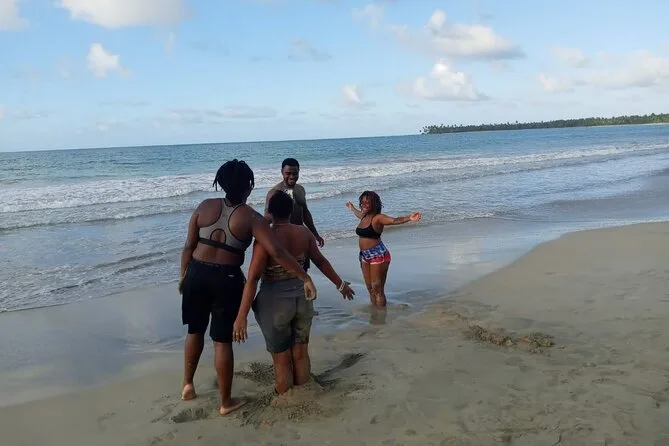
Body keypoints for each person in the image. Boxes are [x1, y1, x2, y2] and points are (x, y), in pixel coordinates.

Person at [179, 159, 318, 416]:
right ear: (249, 186)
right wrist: (304, 277)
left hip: (196, 273)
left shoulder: (204, 206)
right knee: (222, 341)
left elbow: (188, 245)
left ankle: (188, 384)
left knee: (194, 331)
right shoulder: (252, 217)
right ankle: (225, 402)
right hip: (227, 279)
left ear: (221, 183)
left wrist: (183, 275)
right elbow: (276, 251)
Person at [233, 190, 355, 394]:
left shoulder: (265, 239)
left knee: (281, 358)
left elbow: (253, 278)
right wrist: (340, 285)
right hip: (302, 299)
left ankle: (286, 398)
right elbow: (321, 262)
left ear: (269, 212)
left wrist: (241, 316)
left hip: (274, 303)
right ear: (291, 211)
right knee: (300, 353)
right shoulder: (304, 233)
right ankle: (305, 391)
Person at [345, 191, 421, 308]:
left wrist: (409, 218)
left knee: (377, 289)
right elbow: (358, 214)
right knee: (370, 288)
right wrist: (352, 208)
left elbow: (394, 220)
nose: (364, 205)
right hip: (364, 255)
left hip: (378, 255)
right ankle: (375, 312)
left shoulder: (378, 218)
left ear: (374, 204)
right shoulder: (364, 216)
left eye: (367, 203)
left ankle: (381, 316)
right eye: (362, 202)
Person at [264, 158, 325, 248]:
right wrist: (283, 207)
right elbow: (266, 220)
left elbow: (305, 213)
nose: (292, 176)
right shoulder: (274, 193)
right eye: (288, 173)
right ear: (282, 172)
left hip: (300, 235)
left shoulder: (300, 189)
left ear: (299, 172)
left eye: (295, 173)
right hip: (283, 240)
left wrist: (315, 234)